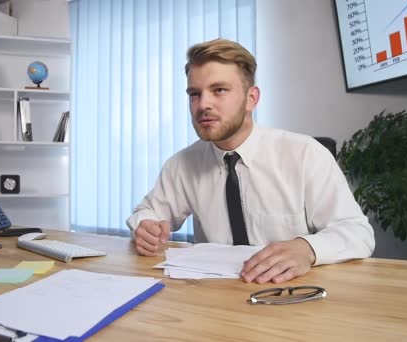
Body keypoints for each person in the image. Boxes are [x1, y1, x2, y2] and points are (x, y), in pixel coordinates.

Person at [126, 38, 375, 284]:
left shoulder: (305, 154)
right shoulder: (182, 164)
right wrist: (145, 226)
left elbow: (358, 233)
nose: (203, 104)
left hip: (291, 295)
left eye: (219, 90)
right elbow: (147, 212)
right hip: (213, 298)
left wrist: (307, 248)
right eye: (195, 93)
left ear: (251, 98)